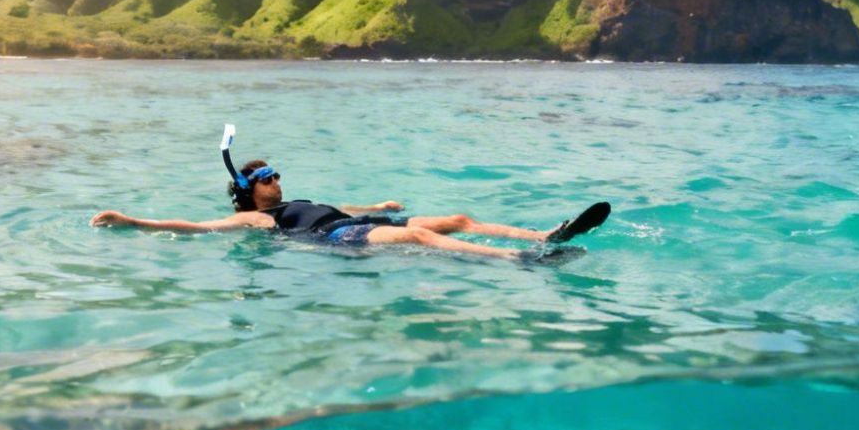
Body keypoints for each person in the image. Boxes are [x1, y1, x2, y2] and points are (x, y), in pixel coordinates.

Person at [90, 159, 610, 261]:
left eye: (276, 174)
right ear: (250, 191)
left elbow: (345, 206)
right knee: (422, 240)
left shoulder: (296, 201)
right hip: (339, 241)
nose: (276, 181)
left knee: (456, 218)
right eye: (266, 179)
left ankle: (542, 236)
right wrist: (134, 220)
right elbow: (199, 227)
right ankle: (517, 262)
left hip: (357, 221)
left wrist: (379, 205)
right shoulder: (258, 218)